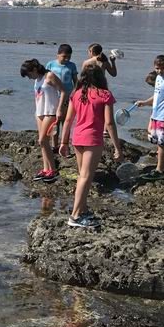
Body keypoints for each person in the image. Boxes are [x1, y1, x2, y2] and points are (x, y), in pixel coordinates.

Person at [59, 65, 122, 228]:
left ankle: (83, 209)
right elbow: (109, 123)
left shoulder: (76, 94)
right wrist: (117, 147)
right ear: (101, 77)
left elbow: (68, 120)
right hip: (92, 139)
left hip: (77, 138)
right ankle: (75, 216)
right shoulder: (105, 95)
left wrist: (63, 142)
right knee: (86, 177)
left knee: (82, 176)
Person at [21, 58, 65, 181]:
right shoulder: (37, 79)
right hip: (40, 112)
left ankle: (53, 170)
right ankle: (46, 169)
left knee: (43, 141)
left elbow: (63, 91)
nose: (29, 77)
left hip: (50, 112)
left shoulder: (49, 76)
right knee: (42, 143)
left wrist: (60, 109)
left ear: (34, 69)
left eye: (29, 74)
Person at [47, 44, 78, 146]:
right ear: (58, 54)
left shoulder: (71, 66)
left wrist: (74, 95)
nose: (66, 59)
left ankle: (65, 145)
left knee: (66, 122)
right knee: (55, 122)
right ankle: (54, 145)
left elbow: (76, 82)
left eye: (69, 57)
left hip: (67, 98)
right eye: (64, 56)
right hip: (53, 97)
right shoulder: (50, 65)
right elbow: (46, 80)